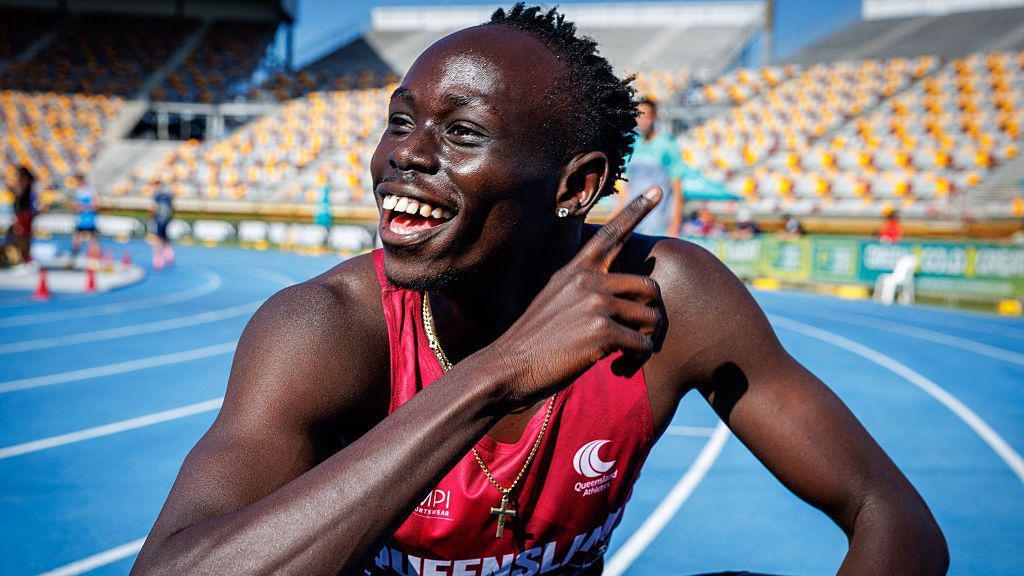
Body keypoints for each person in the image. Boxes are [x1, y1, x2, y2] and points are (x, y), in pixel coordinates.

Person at [132, 5, 947, 575]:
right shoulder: (324, 330)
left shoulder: (672, 299)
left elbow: (895, 519)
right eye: (400, 119)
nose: (402, 157)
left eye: (459, 132)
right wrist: (499, 374)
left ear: (576, 186)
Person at [616, 97, 685, 237]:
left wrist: (675, 226)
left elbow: (677, 190)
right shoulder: (631, 144)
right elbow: (626, 186)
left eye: (646, 116)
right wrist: (617, 215)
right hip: (630, 220)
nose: (642, 121)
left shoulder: (667, 145)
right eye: (639, 116)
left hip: (657, 222)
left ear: (655, 117)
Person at [7, 165, 38, 267]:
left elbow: (18, 193)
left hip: (23, 214)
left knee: (22, 237)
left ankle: (25, 259)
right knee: (24, 237)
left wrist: (12, 189)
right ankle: (26, 259)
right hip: (24, 213)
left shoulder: (23, 182)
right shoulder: (28, 182)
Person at [70, 173, 99, 260]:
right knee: (76, 238)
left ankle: (95, 258)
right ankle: (75, 257)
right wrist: (75, 207)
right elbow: (75, 206)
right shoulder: (78, 190)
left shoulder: (91, 190)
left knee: (92, 238)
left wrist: (83, 207)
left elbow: (96, 205)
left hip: (89, 218)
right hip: (80, 218)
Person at [150, 186, 175, 268]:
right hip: (166, 220)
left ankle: (158, 261)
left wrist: (152, 218)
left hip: (159, 221)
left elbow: (154, 209)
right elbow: (172, 209)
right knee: (165, 239)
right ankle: (169, 257)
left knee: (158, 240)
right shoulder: (168, 198)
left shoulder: (157, 197)